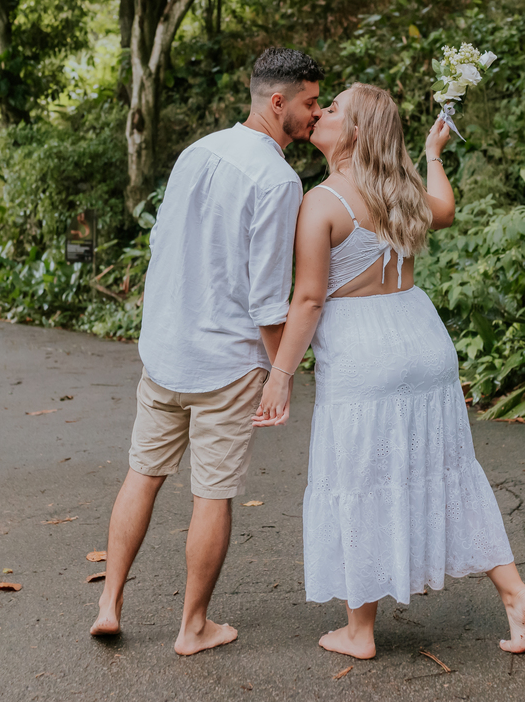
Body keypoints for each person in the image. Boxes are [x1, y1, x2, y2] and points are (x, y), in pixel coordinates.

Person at [253, 83, 525, 659]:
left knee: (360, 480)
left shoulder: (322, 202)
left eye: (335, 108)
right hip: (423, 341)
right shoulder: (401, 191)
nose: (322, 113)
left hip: (364, 354)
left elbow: (307, 300)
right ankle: (515, 593)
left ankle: (359, 631)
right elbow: (447, 210)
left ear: (356, 131)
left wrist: (280, 373)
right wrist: (433, 156)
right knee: (448, 471)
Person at [89, 48, 324, 656]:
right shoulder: (278, 179)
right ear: (278, 102)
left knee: (142, 474)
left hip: (166, 351)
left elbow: (163, 245)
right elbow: (267, 298)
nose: (316, 114)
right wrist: (282, 374)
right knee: (212, 494)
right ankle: (193, 627)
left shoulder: (197, 151)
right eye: (310, 102)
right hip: (226, 364)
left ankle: (109, 603)